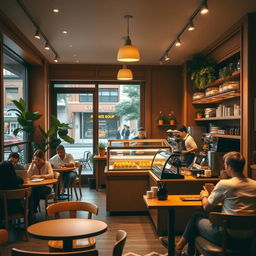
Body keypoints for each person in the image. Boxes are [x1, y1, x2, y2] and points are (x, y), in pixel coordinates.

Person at [160, 151, 256, 256]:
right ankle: (182, 251)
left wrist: (204, 195)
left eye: (225, 164)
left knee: (196, 218)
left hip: (227, 237)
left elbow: (206, 207)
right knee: (199, 218)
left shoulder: (225, 184)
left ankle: (178, 249)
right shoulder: (254, 184)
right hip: (250, 237)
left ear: (229, 166)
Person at [0, 161, 24, 227]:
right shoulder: (16, 180)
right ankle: (30, 221)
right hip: (15, 209)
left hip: (2, 210)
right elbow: (22, 180)